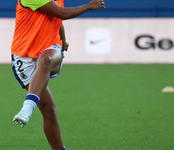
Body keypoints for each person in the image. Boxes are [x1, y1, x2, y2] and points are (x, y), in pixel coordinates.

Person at [11, 0, 105, 149]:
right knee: (49, 110)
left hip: (50, 46)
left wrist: (63, 39)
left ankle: (26, 108)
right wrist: (88, 6)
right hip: (23, 57)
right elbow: (62, 13)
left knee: (47, 60)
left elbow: (56, 17)